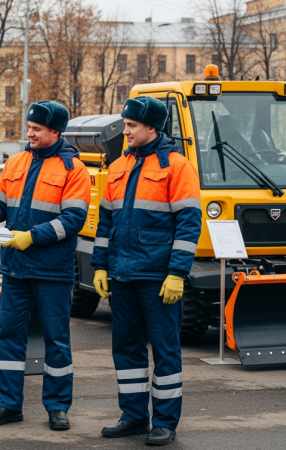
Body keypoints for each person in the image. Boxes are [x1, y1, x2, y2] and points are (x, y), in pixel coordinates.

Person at [0, 101, 90, 431]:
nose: (29, 133)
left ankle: (58, 407)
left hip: (52, 271)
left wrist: (33, 237)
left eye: (37, 129)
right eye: (29, 127)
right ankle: (8, 404)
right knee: (9, 337)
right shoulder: (16, 162)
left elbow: (74, 220)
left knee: (56, 339)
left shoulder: (74, 170)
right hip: (15, 268)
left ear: (55, 132)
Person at [91, 96, 202, 446]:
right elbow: (105, 220)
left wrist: (176, 273)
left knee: (165, 350)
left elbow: (188, 224)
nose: (125, 131)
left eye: (131, 126)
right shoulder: (120, 165)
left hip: (157, 277)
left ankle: (165, 422)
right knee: (126, 350)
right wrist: (99, 266)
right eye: (125, 124)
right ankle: (134, 416)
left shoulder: (177, 166)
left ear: (151, 127)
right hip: (122, 274)